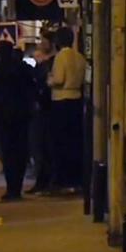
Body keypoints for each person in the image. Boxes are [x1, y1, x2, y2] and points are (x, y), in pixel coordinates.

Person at [0, 40, 37, 201]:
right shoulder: (23, 68)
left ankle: (10, 189)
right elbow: (32, 88)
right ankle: (17, 188)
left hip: (3, 116)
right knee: (20, 152)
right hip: (21, 116)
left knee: (7, 153)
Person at [48, 28, 88, 193]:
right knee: (75, 142)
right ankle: (76, 178)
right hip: (76, 99)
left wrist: (49, 80)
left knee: (61, 142)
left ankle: (63, 180)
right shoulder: (80, 57)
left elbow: (58, 79)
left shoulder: (60, 57)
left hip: (61, 100)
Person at [29, 36, 56, 193]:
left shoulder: (49, 64)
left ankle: (44, 181)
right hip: (42, 109)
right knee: (39, 147)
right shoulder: (42, 65)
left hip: (45, 110)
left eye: (43, 41)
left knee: (43, 147)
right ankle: (42, 180)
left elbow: (44, 85)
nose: (40, 44)